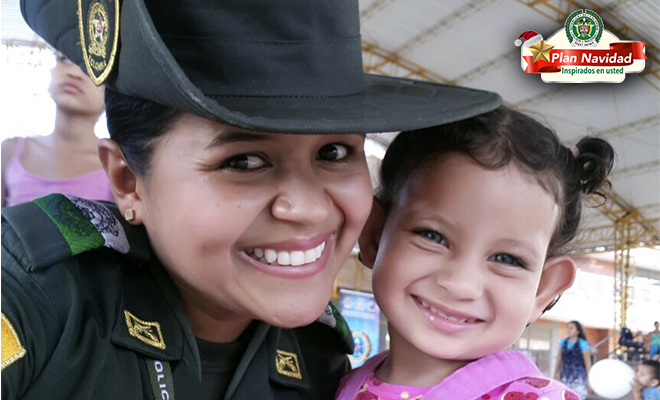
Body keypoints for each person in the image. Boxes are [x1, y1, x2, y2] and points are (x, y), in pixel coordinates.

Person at [1, 0, 501, 399]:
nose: (309, 209)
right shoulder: (37, 297)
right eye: (243, 161)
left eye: (334, 152)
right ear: (128, 181)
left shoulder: (321, 359)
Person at [336, 106, 614, 400]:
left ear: (543, 290)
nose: (460, 285)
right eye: (433, 236)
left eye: (507, 259)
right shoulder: (341, 383)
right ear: (375, 235)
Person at [1, 52, 111, 207]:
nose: (74, 73)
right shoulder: (10, 150)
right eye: (64, 59)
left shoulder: (115, 166)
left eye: (93, 67)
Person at [554, 320, 592, 398]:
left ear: (578, 331)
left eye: (571, 328)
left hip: (579, 379)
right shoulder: (562, 342)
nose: (568, 330)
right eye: (567, 328)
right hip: (564, 377)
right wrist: (556, 373)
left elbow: (587, 363)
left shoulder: (583, 343)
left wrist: (589, 380)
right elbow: (559, 359)